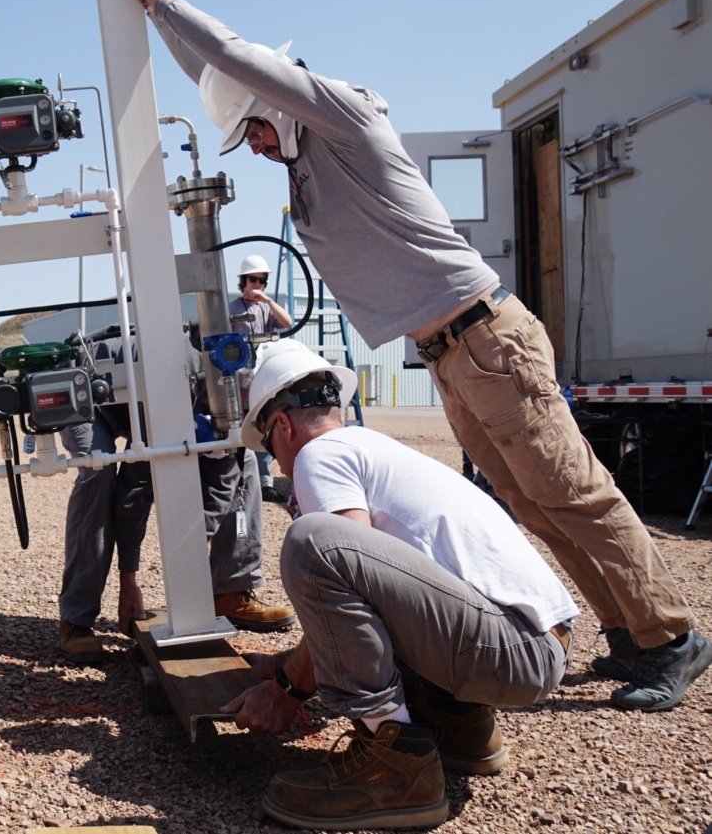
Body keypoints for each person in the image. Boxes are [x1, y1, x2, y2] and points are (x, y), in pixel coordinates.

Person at [98, 0, 711, 713]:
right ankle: (627, 632)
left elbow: (236, 61)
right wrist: (172, 39)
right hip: (452, 352)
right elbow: (222, 79)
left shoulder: (344, 120)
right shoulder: (304, 156)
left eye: (251, 132)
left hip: (485, 337)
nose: (251, 148)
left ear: (278, 107)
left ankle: (670, 638)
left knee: (576, 493)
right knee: (533, 500)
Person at [220, 340, 577, 830]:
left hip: (509, 653)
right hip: (533, 643)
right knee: (351, 564)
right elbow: (377, 593)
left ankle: (397, 769)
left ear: (281, 425)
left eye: (269, 446)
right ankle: (459, 725)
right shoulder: (375, 448)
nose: (278, 463)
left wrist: (288, 690)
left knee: (312, 542)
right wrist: (292, 663)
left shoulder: (319, 455)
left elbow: (338, 563)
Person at [57, 326, 295, 662]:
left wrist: (188, 560)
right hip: (87, 388)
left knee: (247, 469)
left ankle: (230, 589)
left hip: (156, 395)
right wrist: (130, 581)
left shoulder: (237, 391)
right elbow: (134, 494)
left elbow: (222, 486)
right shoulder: (175, 390)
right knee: (99, 472)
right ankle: (76, 617)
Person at [229, 254, 292, 505]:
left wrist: (267, 300)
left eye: (262, 281)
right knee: (238, 426)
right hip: (237, 379)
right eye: (254, 279)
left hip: (261, 375)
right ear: (243, 280)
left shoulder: (266, 307)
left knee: (262, 424)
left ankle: (263, 483)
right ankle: (239, 479)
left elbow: (287, 323)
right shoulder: (232, 309)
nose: (258, 285)